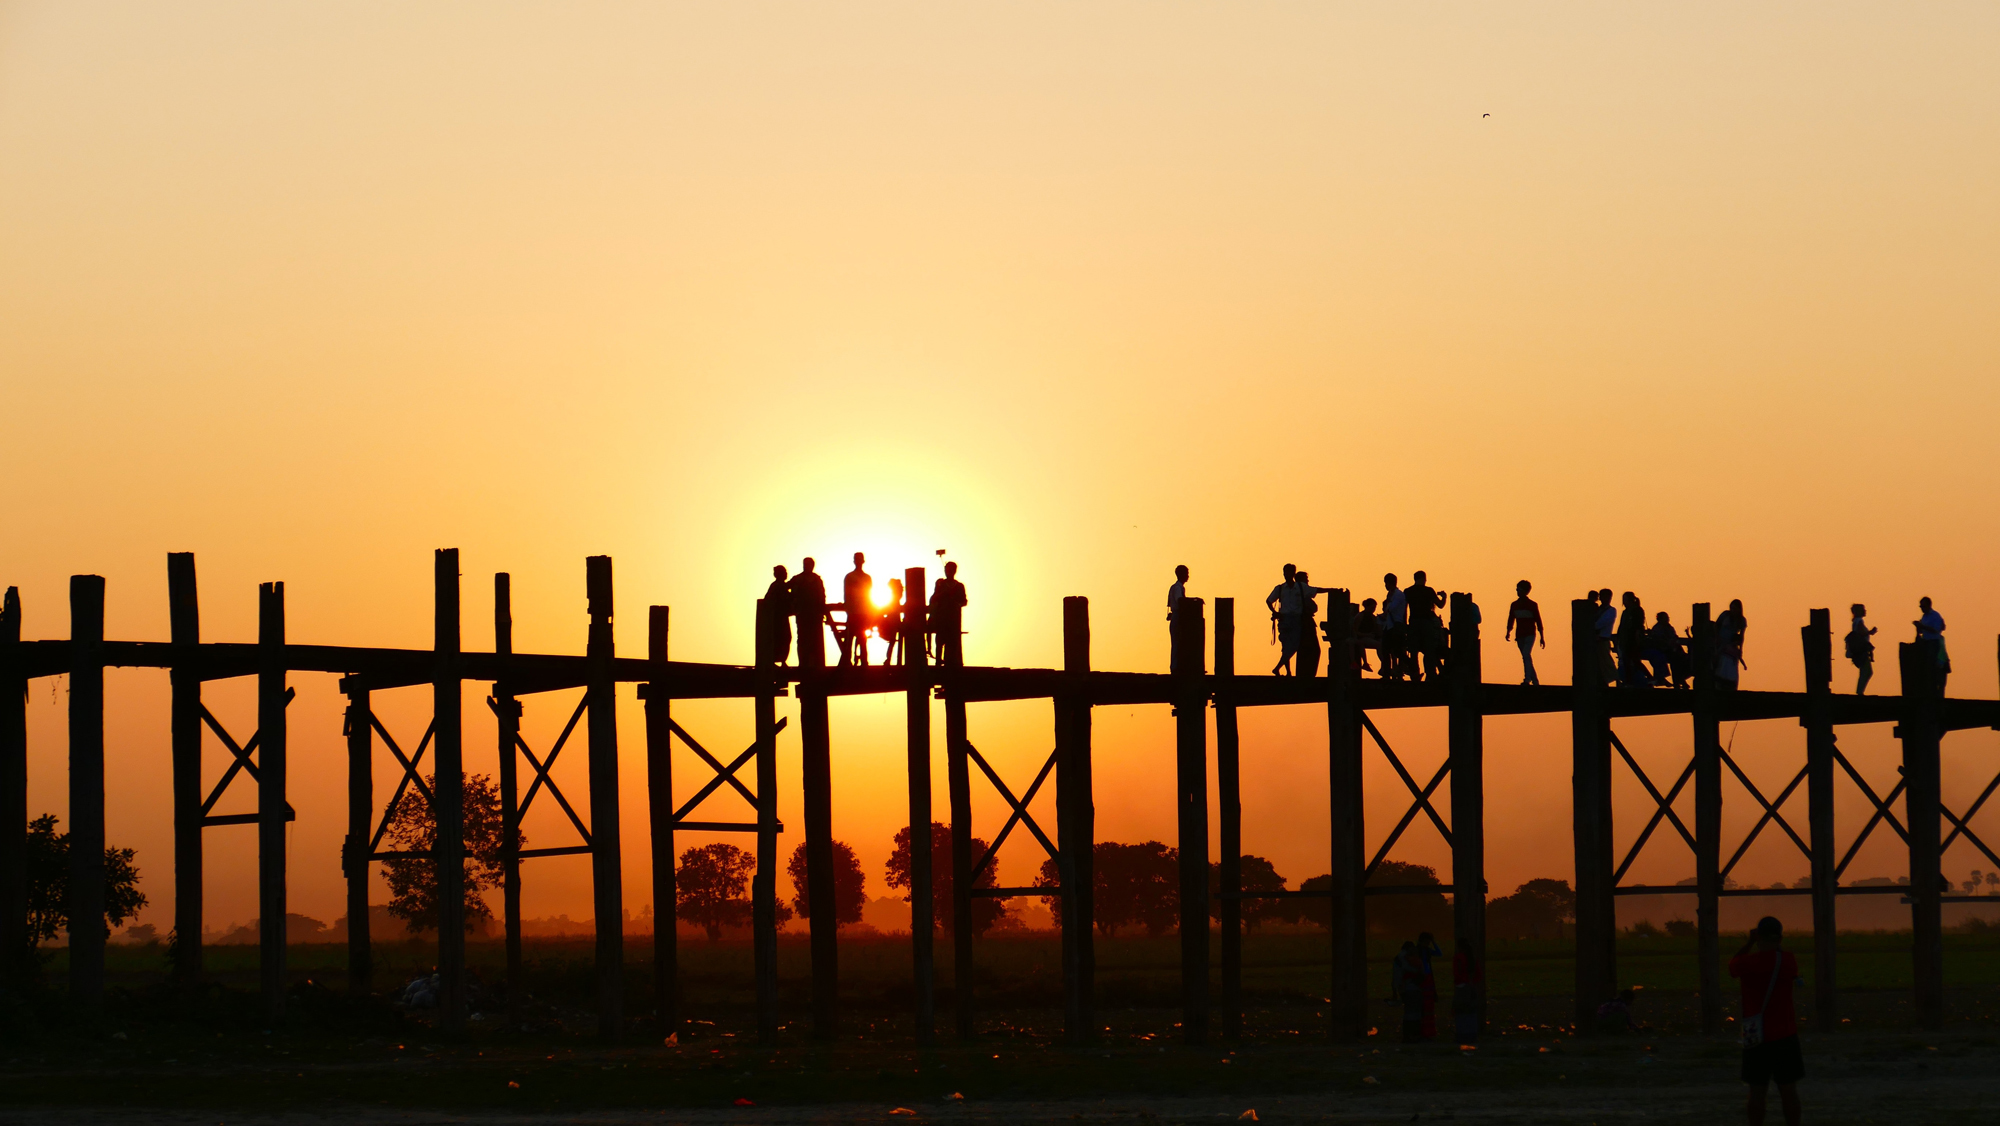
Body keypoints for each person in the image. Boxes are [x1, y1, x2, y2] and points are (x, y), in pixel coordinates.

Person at [1730, 916, 1803, 1126]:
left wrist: (1750, 942)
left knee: (1756, 1092)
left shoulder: (1747, 963)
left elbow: (1732, 966)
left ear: (1759, 936)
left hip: (1755, 1035)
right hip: (1785, 1034)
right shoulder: (1788, 960)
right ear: (1780, 938)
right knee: (1789, 1090)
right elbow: (1784, 962)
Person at [787, 558, 829, 665]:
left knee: (815, 640)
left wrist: (822, 611)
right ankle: (804, 664)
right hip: (802, 614)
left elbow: (822, 596)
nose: (806, 566)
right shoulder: (798, 579)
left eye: (808, 564)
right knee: (802, 640)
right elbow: (785, 588)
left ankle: (815, 664)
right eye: (805, 564)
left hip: (815, 615)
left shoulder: (817, 579)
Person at [1406, 571, 1444, 681]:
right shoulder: (1429, 591)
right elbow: (1440, 605)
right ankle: (1430, 674)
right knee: (1429, 650)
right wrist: (1444, 597)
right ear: (1423, 578)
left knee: (1413, 650)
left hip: (1413, 622)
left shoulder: (1408, 591)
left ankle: (1415, 674)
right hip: (1426, 622)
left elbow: (1404, 608)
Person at [1506, 580, 1544, 686]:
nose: (1518, 592)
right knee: (1526, 656)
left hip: (1530, 634)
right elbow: (1511, 619)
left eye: (1520, 590)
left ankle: (1527, 679)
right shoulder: (1514, 605)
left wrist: (1542, 636)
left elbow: (1538, 620)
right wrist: (1508, 631)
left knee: (1526, 655)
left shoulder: (1532, 605)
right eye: (1517, 589)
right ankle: (1535, 681)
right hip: (1519, 635)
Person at [929, 561, 967, 668]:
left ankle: (949, 664)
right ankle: (938, 663)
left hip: (953, 620)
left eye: (950, 570)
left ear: (954, 571)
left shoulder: (959, 586)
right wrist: (943, 594)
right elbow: (933, 598)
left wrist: (957, 604)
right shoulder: (940, 584)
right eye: (947, 570)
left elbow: (964, 601)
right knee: (940, 642)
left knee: (951, 644)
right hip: (942, 618)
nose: (948, 572)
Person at [839, 552, 875, 666]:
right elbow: (847, 596)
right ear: (855, 561)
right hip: (855, 613)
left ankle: (862, 662)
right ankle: (849, 662)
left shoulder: (865, 578)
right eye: (857, 559)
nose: (858, 562)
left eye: (860, 560)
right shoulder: (851, 577)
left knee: (861, 639)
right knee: (852, 640)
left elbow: (869, 596)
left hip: (862, 613)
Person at [1266, 565, 1301, 675]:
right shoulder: (1280, 588)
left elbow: (1315, 590)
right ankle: (1287, 671)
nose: (1285, 574)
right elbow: (1269, 600)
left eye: (1288, 572)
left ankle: (1279, 668)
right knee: (1287, 646)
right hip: (1285, 619)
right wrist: (1275, 612)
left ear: (1293, 573)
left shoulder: (1299, 587)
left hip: (1295, 619)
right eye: (1284, 572)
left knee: (1293, 645)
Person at [1389, 941, 1424, 1043]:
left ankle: (1409, 1035)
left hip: (1406, 987)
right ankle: (1413, 1035)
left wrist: (1395, 989)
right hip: (1411, 987)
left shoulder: (1399, 958)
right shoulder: (1406, 958)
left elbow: (1396, 975)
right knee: (1413, 1013)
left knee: (1409, 1012)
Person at [1645, 611, 1688, 688]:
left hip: (1672, 649)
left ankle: (1680, 679)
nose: (1668, 619)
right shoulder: (1657, 628)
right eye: (1666, 618)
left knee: (1682, 660)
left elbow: (1674, 637)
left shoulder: (1669, 627)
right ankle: (1678, 681)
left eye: (1668, 618)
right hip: (1664, 650)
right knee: (1675, 660)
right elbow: (1658, 641)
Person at [1914, 596, 1950, 688]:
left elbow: (1936, 630)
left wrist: (1923, 626)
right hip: (1925, 642)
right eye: (1921, 607)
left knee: (1932, 666)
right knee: (1925, 666)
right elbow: (1922, 631)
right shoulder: (1924, 616)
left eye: (1923, 606)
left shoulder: (1935, 616)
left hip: (1933, 643)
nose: (1922, 608)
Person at [1616, 593, 1650, 688]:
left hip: (1633, 640)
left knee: (1634, 660)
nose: (1623, 602)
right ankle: (1629, 682)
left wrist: (1637, 637)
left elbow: (1638, 625)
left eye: (1625, 599)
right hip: (1625, 640)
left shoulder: (1637, 610)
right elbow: (1621, 626)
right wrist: (1619, 638)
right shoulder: (1625, 612)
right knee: (1627, 661)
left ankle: (1648, 678)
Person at [762, 565, 794, 666]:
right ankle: (776, 661)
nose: (786, 574)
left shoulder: (780, 586)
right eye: (784, 572)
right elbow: (770, 601)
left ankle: (782, 660)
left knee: (785, 638)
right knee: (781, 638)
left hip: (781, 618)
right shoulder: (776, 586)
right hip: (778, 619)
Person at [1452, 945, 1484, 1042]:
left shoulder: (1458, 958)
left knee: (1460, 1013)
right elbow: (1479, 974)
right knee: (1471, 1012)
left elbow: (1456, 973)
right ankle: (1472, 1035)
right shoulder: (1472, 958)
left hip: (1461, 987)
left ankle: (1461, 1035)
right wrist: (1472, 982)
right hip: (1471, 987)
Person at [1415, 931, 1443, 1040]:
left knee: (1429, 1007)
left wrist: (1434, 942)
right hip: (1422, 979)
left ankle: (1429, 1032)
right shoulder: (1418, 951)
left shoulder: (1426, 951)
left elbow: (1440, 953)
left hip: (1428, 979)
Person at [1380, 575, 1409, 681]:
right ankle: (1387, 674)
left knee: (1397, 651)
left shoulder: (1398, 595)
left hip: (1396, 626)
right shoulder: (1391, 594)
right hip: (1389, 626)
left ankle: (1410, 668)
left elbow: (1392, 608)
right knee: (1386, 651)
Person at [1845, 603, 1877, 695]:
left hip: (1860, 650)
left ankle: (1860, 691)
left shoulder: (1856, 621)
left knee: (1865, 671)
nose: (1865, 611)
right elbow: (1861, 632)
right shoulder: (1859, 621)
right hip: (1861, 650)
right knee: (1867, 671)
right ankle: (1859, 692)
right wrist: (1870, 632)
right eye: (1863, 609)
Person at [1717, 599, 1748, 691]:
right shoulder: (1725, 615)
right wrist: (1717, 639)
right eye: (1732, 608)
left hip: (1731, 643)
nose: (1733, 610)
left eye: (1735, 608)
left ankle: (1730, 683)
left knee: (1731, 660)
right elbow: (1717, 625)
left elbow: (1742, 636)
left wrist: (1740, 649)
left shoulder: (1742, 620)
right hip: (1721, 641)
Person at [878, 577, 906, 664]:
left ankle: (888, 659)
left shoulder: (895, 596)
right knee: (892, 640)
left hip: (893, 620)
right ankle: (889, 659)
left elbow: (890, 607)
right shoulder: (896, 596)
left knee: (892, 640)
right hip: (894, 619)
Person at [1595, 589, 1618, 687]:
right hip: (1596, 640)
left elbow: (1601, 623)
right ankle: (1603, 682)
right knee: (1599, 663)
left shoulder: (1611, 610)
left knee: (1607, 662)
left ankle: (1618, 680)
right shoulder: (1597, 609)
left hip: (1603, 639)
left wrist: (1591, 626)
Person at [1353, 597, 1382, 674]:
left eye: (1375, 607)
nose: (1374, 609)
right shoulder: (1360, 616)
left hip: (1370, 637)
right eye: (1372, 607)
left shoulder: (1373, 617)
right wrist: (1367, 635)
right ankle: (1383, 664)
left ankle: (1384, 666)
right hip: (1361, 638)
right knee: (1380, 645)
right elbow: (1355, 631)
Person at [1167, 564, 1189, 639]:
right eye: (1186, 574)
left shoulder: (1177, 587)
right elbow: (1180, 600)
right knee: (1177, 643)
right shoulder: (1177, 588)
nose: (1188, 576)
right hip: (1177, 617)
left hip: (1176, 617)